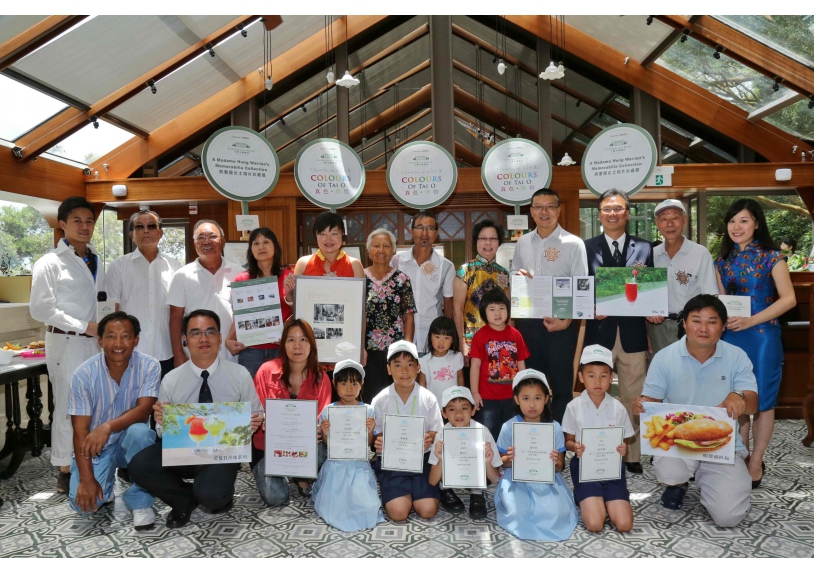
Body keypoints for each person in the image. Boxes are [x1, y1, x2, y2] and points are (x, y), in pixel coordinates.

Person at [127, 310, 263, 529]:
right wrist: (162, 421)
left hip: (221, 454)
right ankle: (183, 498)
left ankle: (211, 492)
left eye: (210, 332)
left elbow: (256, 413)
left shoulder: (239, 375)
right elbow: (162, 433)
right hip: (181, 452)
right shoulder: (171, 379)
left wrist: (253, 422)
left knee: (213, 497)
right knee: (139, 465)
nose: (203, 339)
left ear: (220, 338)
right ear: (185, 340)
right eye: (195, 333)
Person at [633, 295, 759, 527]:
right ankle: (678, 484)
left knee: (728, 517)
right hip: (679, 443)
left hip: (723, 446)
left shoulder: (737, 356)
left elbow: (753, 402)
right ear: (684, 323)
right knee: (670, 472)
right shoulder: (664, 358)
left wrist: (739, 396)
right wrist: (644, 403)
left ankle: (711, 481)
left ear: (723, 326)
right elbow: (653, 401)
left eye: (712, 321)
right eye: (696, 320)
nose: (703, 328)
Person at [713, 199, 796, 488]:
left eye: (744, 220)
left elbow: (789, 299)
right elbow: (721, 301)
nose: (737, 227)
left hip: (762, 336)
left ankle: (756, 462)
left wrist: (751, 320)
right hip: (730, 336)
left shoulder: (773, 257)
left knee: (762, 401)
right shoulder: (720, 260)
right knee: (734, 398)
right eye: (732, 221)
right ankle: (740, 454)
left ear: (757, 224)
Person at [30, 196, 104, 493]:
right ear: (62, 224)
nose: (84, 226)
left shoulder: (97, 259)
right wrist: (84, 326)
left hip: (96, 344)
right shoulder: (49, 263)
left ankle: (93, 461)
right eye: (77, 221)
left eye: (89, 221)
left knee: (95, 404)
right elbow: (41, 309)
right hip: (67, 342)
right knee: (67, 406)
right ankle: (64, 468)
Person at [68, 311, 160, 531]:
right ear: (99, 340)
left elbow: (144, 410)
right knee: (83, 505)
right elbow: (80, 431)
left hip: (130, 441)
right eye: (110, 336)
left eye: (126, 336)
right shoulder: (83, 375)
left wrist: (107, 426)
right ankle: (105, 485)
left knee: (141, 432)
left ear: (136, 339)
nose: (118, 343)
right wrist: (87, 479)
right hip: (97, 447)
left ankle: (140, 501)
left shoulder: (150, 366)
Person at [583, 189, 654, 474]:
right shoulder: (585, 248)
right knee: (594, 394)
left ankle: (632, 454)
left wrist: (652, 307)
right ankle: (594, 448)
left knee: (633, 395)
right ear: (600, 214)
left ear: (627, 213)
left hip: (633, 332)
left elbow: (648, 290)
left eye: (618, 209)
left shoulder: (645, 248)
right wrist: (590, 306)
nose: (612, 214)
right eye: (607, 209)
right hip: (598, 331)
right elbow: (580, 288)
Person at [511, 188, 588, 422]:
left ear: (559, 210)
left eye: (550, 206)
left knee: (563, 387)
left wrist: (566, 320)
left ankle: (560, 447)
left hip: (561, 325)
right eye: (538, 207)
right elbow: (515, 277)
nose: (544, 211)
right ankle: (535, 442)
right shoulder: (523, 242)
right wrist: (518, 275)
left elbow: (581, 285)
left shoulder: (574, 244)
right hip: (528, 325)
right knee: (532, 387)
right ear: (532, 212)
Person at [252, 319, 332, 506]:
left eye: (303, 340)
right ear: (283, 344)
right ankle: (293, 473)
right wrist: (262, 419)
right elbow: (255, 410)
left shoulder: (321, 377)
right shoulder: (265, 371)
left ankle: (298, 472)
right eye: (291, 340)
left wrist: (318, 428)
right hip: (269, 448)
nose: (297, 346)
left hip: (306, 446)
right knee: (275, 498)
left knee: (328, 452)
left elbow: (323, 418)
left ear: (311, 344)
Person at [494, 369, 578, 541]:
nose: (532, 405)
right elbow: (501, 463)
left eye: (538, 398)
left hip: (547, 480)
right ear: (517, 400)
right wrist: (509, 459)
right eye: (526, 398)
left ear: (546, 399)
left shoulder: (554, 427)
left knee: (555, 512)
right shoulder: (508, 427)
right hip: (516, 480)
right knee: (519, 510)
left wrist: (555, 462)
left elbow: (560, 466)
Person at [562, 345, 634, 533]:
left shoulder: (618, 408)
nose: (597, 381)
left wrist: (623, 448)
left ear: (611, 378)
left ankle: (605, 500)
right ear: (581, 377)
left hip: (612, 470)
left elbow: (623, 440)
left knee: (625, 525)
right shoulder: (573, 407)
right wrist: (574, 447)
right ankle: (585, 496)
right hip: (585, 469)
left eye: (603, 375)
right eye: (591, 375)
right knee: (595, 524)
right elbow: (568, 441)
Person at [372, 340, 444, 522]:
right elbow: (376, 434)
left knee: (428, 510)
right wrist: (379, 441)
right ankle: (402, 492)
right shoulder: (380, 400)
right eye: (397, 365)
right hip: (392, 464)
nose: (404, 371)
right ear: (388, 369)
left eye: (410, 364)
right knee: (398, 513)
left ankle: (417, 492)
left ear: (418, 367)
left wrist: (430, 437)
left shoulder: (428, 398)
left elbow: (438, 431)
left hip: (422, 461)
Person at [106, 210, 182, 378]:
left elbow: (180, 314)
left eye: (151, 226)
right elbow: (111, 314)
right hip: (129, 354)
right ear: (132, 234)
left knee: (165, 404)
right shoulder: (118, 267)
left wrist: (180, 353)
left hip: (166, 353)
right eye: (140, 227)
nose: (146, 230)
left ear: (160, 233)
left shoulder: (175, 268)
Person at [312, 360, 384, 531]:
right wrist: (325, 432)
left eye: (354, 383)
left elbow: (369, 444)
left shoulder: (368, 410)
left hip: (358, 464)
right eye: (344, 383)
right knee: (335, 503)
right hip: (336, 464)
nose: (349, 388)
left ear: (362, 384)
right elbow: (327, 444)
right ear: (335, 384)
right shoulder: (328, 410)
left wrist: (370, 430)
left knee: (364, 504)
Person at [648, 200, 717, 356]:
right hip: (657, 328)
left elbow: (710, 297)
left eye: (675, 217)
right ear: (657, 223)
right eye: (664, 219)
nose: (670, 224)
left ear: (684, 220)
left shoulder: (700, 253)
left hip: (690, 326)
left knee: (691, 374)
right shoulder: (651, 255)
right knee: (661, 374)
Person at [167, 220, 240, 366]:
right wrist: (178, 355)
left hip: (234, 356)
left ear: (223, 242)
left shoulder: (240, 274)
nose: (207, 241)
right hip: (194, 358)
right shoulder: (182, 275)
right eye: (201, 237)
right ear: (194, 244)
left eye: (212, 236)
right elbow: (175, 319)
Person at [225, 227, 293, 379]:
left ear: (275, 247)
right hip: (251, 350)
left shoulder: (289, 276)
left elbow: (298, 312)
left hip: (281, 348)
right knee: (251, 395)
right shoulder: (242, 280)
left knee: (279, 393)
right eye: (256, 243)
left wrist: (290, 294)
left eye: (266, 242)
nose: (261, 247)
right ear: (250, 250)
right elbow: (240, 315)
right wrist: (230, 339)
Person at [428, 386, 501, 518]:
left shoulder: (482, 432)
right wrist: (441, 459)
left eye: (464, 408)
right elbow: (432, 481)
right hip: (449, 474)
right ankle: (445, 490)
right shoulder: (442, 434)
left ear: (473, 410)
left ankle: (477, 493)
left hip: (473, 473)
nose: (459, 414)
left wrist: (487, 462)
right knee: (442, 463)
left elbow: (495, 479)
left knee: (481, 462)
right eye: (452, 409)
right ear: (443, 413)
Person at [362, 228, 416, 402]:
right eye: (376, 245)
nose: (381, 250)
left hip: (394, 352)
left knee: (395, 398)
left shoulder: (402, 279)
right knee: (371, 397)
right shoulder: (360, 278)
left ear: (393, 251)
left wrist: (406, 350)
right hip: (367, 352)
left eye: (386, 246)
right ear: (369, 250)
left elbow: (408, 317)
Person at [469, 288, 529, 441]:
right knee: (489, 436)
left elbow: (521, 363)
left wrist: (523, 391)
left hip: (512, 397)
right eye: (492, 309)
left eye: (502, 308)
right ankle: (491, 465)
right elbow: (474, 366)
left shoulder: (516, 334)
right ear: (484, 313)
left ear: (508, 311)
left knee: (511, 436)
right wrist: (474, 392)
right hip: (487, 398)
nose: (497, 313)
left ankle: (508, 464)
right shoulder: (480, 336)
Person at [390, 211, 455, 352]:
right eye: (419, 227)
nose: (424, 233)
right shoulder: (397, 261)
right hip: (402, 336)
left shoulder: (446, 266)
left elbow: (448, 305)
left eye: (430, 228)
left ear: (436, 233)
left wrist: (449, 337)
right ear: (411, 232)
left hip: (433, 339)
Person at [453, 219, 509, 361]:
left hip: (498, 341)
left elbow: (509, 312)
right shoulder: (465, 270)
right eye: (483, 239)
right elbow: (457, 309)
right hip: (471, 341)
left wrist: (509, 341)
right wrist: (461, 342)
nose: (488, 243)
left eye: (493, 239)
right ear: (476, 241)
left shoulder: (503, 274)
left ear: (499, 243)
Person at [418, 316, 464, 405]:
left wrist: (461, 398)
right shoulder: (424, 361)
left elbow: (460, 378)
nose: (441, 342)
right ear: (430, 337)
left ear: (452, 340)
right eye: (437, 337)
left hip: (452, 406)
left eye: (446, 338)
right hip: (433, 406)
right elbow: (422, 386)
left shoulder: (456, 357)